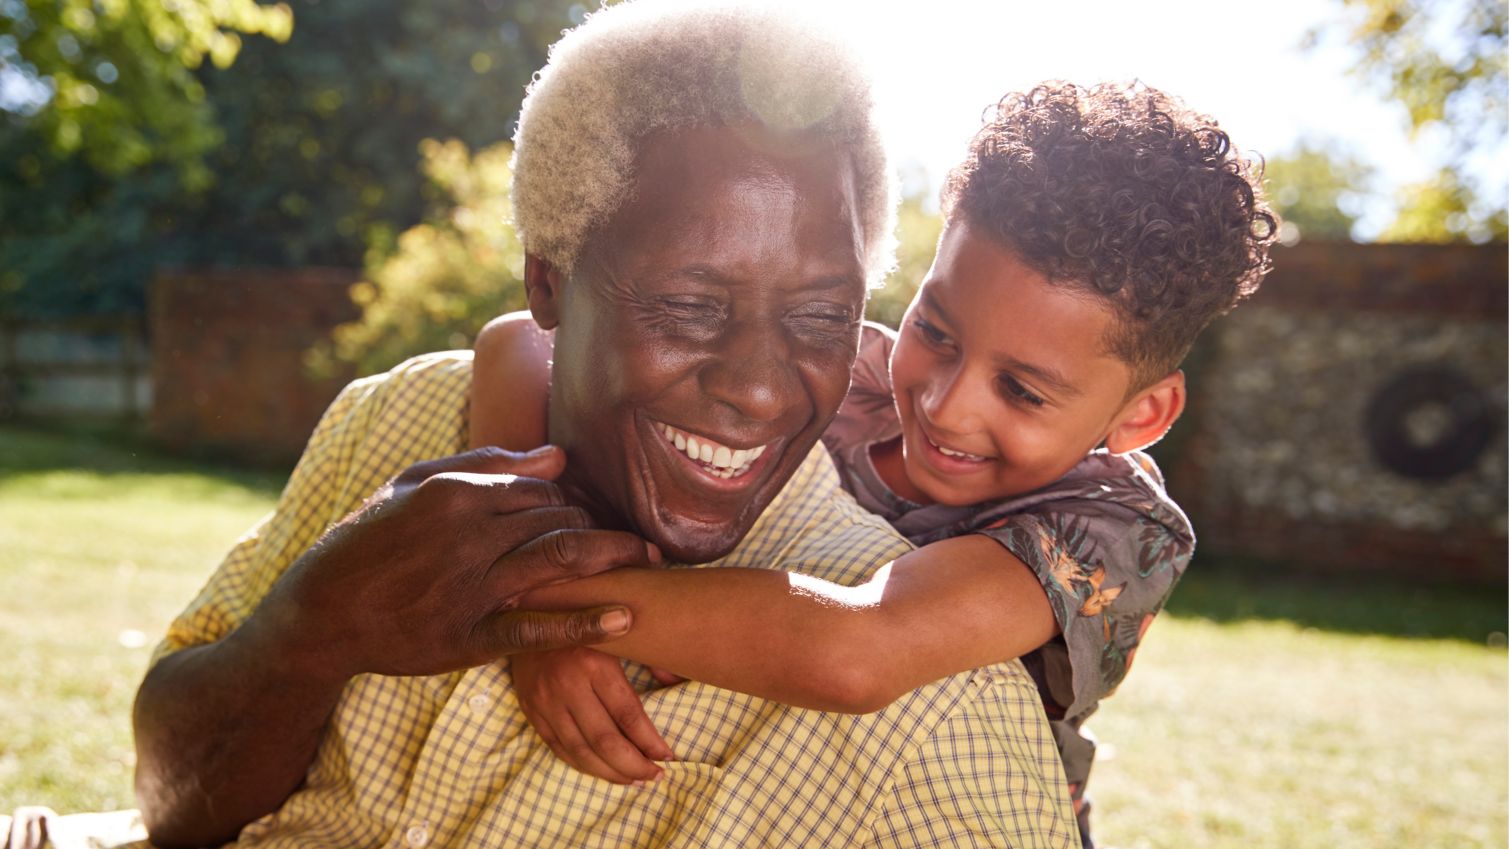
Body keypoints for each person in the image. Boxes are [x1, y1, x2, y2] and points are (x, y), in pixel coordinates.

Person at [128, 3, 1079, 848]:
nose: (757, 390)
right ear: (548, 282)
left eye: (819, 317)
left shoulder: (932, 725)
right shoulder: (397, 419)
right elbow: (169, 807)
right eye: (688, 305)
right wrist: (313, 625)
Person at [469, 80, 1279, 846]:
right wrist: (536, 588)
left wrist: (545, 606)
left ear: (1142, 414)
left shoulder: (1114, 531)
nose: (946, 404)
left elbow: (857, 650)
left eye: (1022, 391)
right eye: (936, 331)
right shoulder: (842, 371)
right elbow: (520, 341)